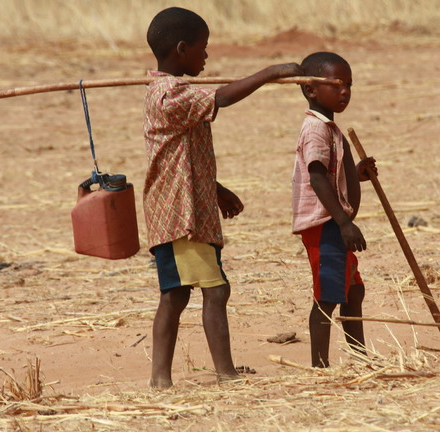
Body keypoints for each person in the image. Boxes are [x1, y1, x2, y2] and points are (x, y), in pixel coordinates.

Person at [143, 7, 303, 388]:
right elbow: (223, 99)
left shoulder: (173, 93)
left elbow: (181, 158)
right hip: (181, 217)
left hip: (189, 208)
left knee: (177, 294)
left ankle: (161, 380)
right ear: (182, 49)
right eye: (203, 49)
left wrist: (216, 190)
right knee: (214, 290)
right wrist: (270, 73)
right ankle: (223, 373)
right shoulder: (170, 96)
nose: (207, 57)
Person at [292, 52, 376, 368]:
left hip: (334, 222)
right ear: (311, 89)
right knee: (327, 295)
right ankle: (320, 366)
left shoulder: (330, 127)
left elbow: (330, 174)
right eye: (337, 85)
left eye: (349, 86)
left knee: (353, 292)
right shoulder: (315, 128)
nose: (345, 92)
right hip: (326, 223)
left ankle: (359, 356)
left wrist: (355, 174)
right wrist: (343, 222)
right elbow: (316, 177)